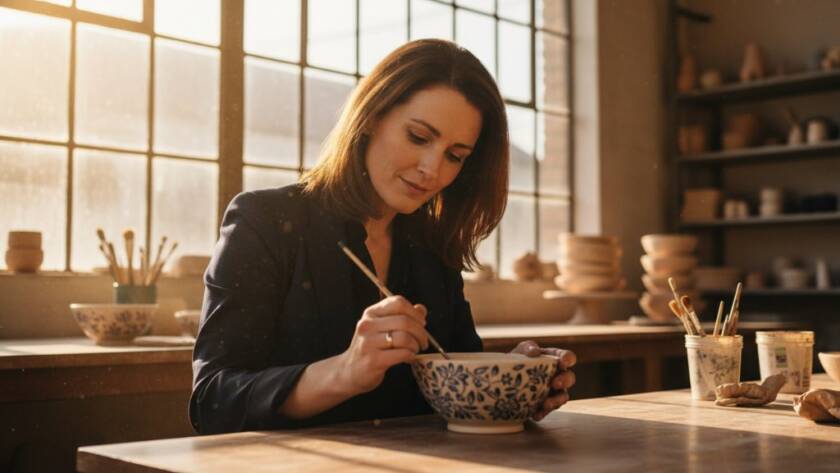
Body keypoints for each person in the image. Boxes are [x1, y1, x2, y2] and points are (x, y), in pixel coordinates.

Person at [189, 39, 576, 434]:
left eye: (455, 156)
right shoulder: (265, 221)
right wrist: (344, 371)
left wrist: (512, 380)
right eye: (419, 137)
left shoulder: (432, 247)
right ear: (372, 116)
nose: (432, 169)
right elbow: (212, 402)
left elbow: (454, 377)